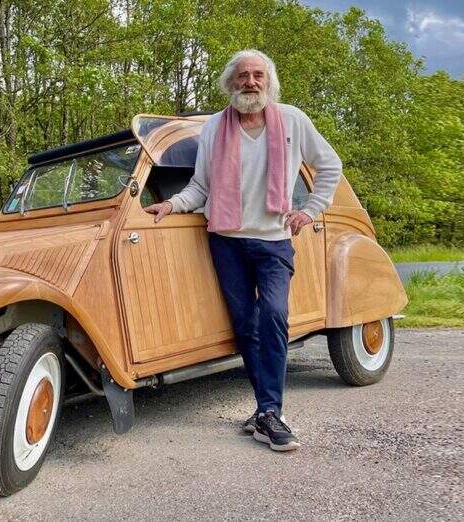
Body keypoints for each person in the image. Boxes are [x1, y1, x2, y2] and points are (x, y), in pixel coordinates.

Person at [143, 49, 342, 452]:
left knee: (273, 315)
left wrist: (310, 209)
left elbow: (330, 165)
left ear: (268, 82)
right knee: (245, 325)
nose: (250, 82)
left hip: (273, 240)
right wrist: (171, 204)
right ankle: (266, 412)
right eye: (242, 76)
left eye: (257, 75)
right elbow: (201, 187)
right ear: (230, 84)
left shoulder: (292, 120)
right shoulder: (215, 127)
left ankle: (269, 412)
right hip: (226, 241)